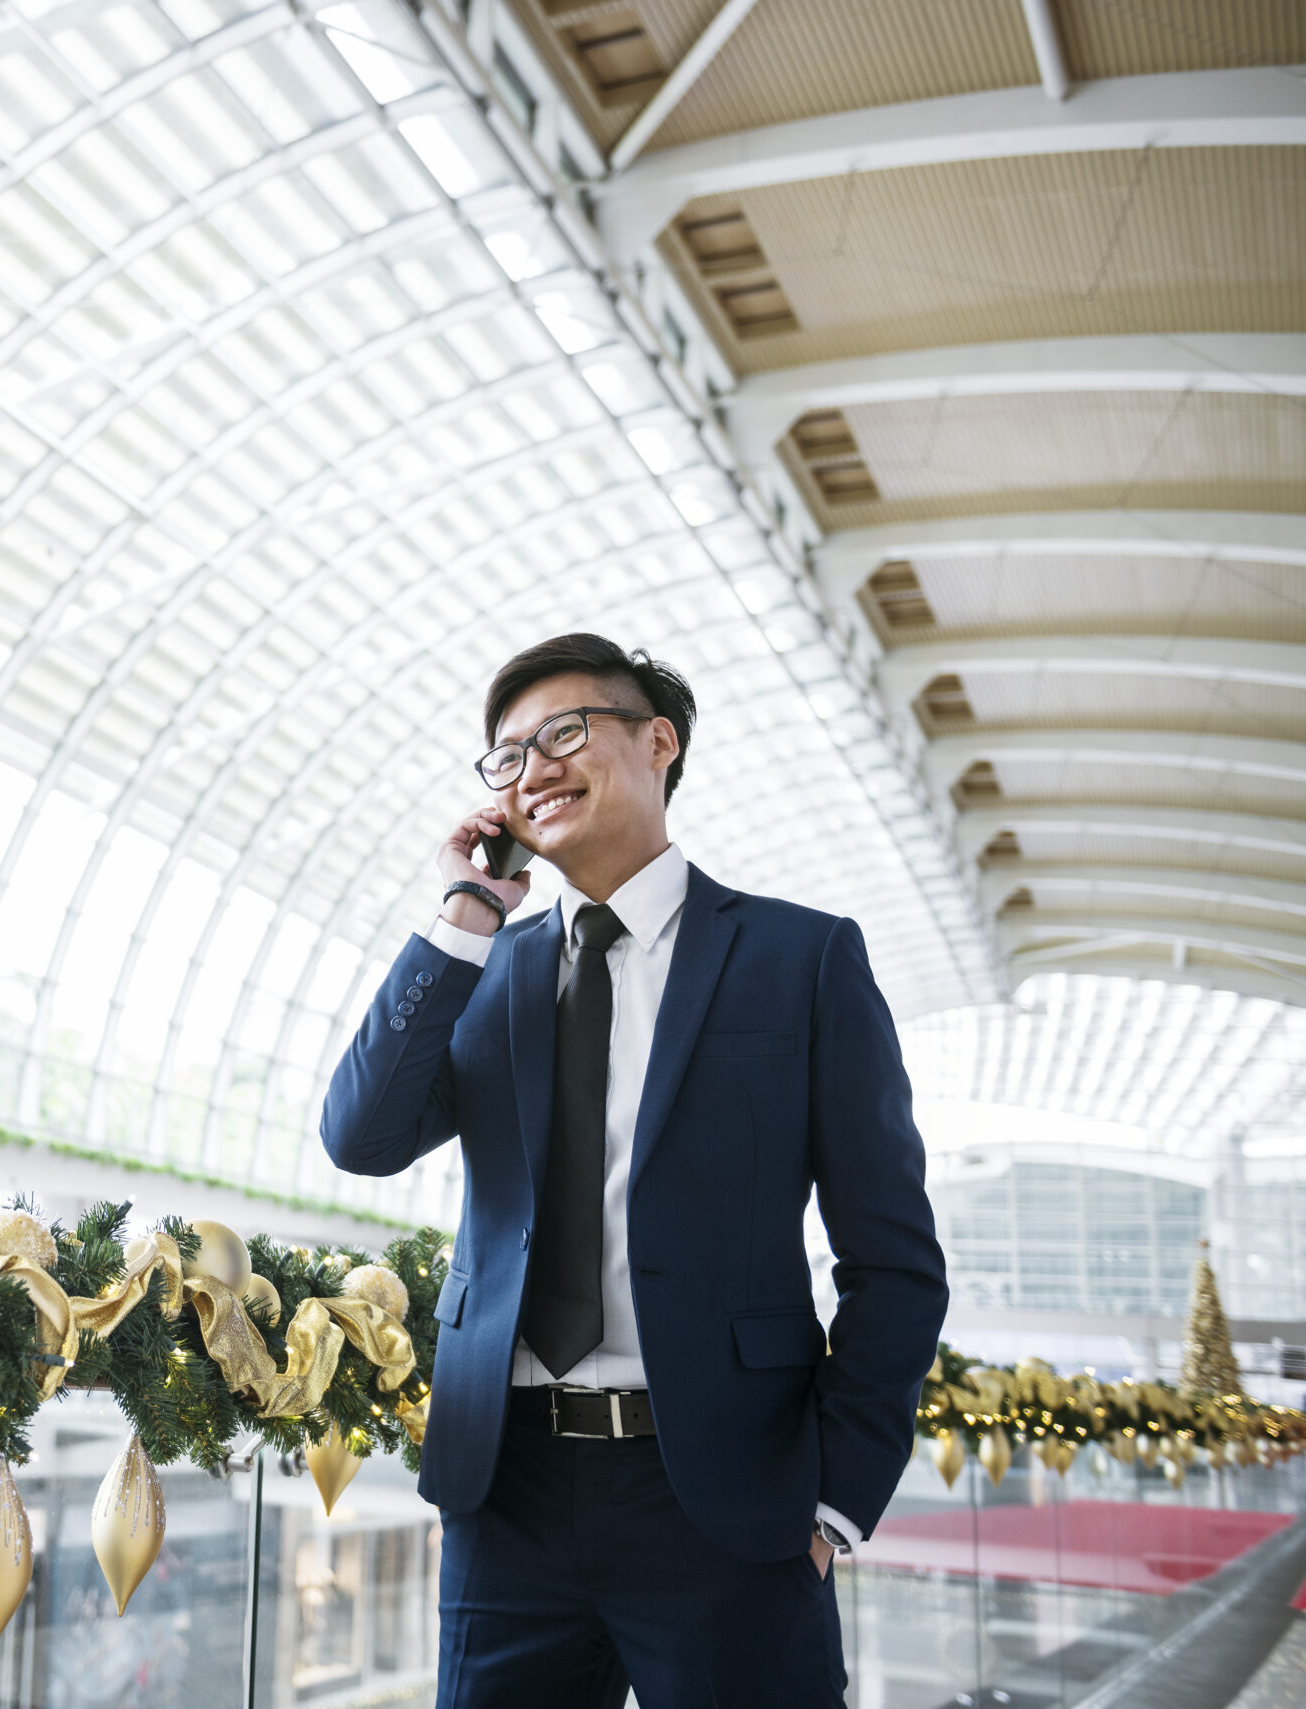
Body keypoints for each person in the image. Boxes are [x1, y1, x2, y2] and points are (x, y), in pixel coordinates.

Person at [320, 633, 946, 1707]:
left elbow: (891, 1259)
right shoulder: (484, 968)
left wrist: (834, 1502)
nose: (533, 769)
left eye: (564, 731)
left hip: (726, 1494)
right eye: (507, 757)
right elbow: (361, 1135)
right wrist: (466, 910)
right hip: (504, 1486)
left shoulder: (802, 959)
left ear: (658, 742)